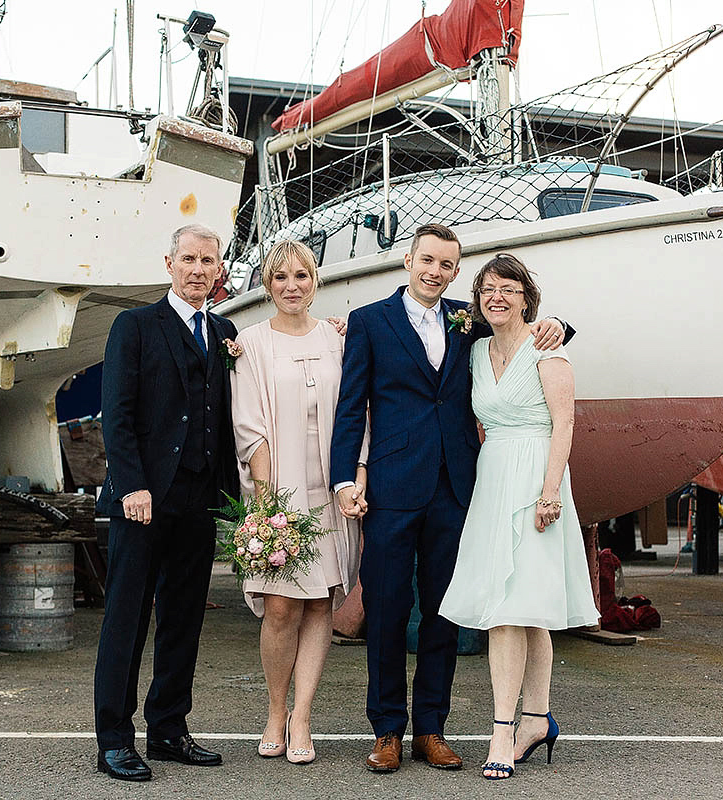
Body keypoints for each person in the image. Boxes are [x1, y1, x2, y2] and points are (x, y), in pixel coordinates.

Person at [330, 224, 572, 773]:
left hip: (459, 487)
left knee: (446, 611)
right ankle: (388, 728)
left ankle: (431, 729)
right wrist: (346, 478)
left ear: (456, 270)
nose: (436, 272)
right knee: (388, 609)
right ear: (408, 261)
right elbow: (351, 406)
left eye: (447, 265)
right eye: (428, 261)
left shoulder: (470, 318)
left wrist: (560, 325)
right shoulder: (369, 322)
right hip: (391, 487)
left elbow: (522, 324)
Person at [439, 253, 600, 781]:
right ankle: (537, 719)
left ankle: (502, 729)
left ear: (527, 297)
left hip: (537, 477)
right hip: (494, 478)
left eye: (509, 288)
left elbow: (565, 423)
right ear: (478, 299)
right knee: (523, 605)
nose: (497, 297)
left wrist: (550, 492)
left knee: (512, 609)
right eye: (488, 289)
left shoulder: (549, 349)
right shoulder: (476, 349)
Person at [93, 223, 238, 782]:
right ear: (169, 263)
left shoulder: (223, 329)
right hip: (143, 499)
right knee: (126, 620)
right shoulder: (134, 326)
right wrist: (132, 486)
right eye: (189, 259)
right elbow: (118, 412)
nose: (199, 269)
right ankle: (114, 738)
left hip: (198, 499)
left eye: (209, 260)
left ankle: (170, 729)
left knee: (182, 620)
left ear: (219, 267)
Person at [230, 240, 365, 765]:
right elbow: (249, 426)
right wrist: (266, 503)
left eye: (302, 275)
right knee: (281, 605)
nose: (292, 285)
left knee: (318, 603)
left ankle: (303, 716)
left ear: (316, 280)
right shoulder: (251, 343)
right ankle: (274, 709)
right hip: (280, 487)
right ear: (268, 285)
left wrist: (355, 480)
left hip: (331, 489)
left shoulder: (339, 339)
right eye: (281, 277)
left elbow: (360, 411)